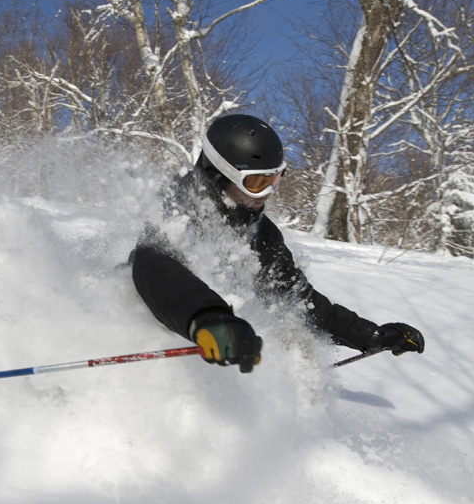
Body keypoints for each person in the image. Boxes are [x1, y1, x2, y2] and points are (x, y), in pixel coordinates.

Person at [130, 114, 424, 373]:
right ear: (217, 175)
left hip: (219, 339)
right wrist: (209, 318)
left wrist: (369, 336)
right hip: (154, 332)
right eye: (257, 183)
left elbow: (296, 299)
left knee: (291, 339)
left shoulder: (260, 232)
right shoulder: (179, 205)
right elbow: (155, 267)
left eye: (274, 180)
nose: (267, 193)